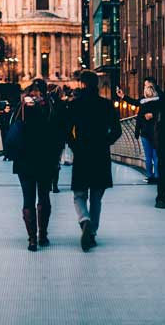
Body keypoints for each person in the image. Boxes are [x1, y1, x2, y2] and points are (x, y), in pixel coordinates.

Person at [66, 70, 122, 251]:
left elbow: (66, 130)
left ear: (82, 84)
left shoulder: (75, 105)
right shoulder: (106, 105)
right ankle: (93, 232)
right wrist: (105, 142)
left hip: (82, 154)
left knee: (79, 194)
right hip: (100, 154)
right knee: (96, 197)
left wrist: (75, 146)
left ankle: (84, 220)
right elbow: (117, 130)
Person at [12, 80, 60, 251]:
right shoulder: (50, 107)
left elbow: (11, 129)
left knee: (28, 199)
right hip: (45, 160)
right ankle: (43, 235)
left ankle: (32, 239)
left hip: (24, 160)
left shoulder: (21, 107)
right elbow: (58, 134)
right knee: (44, 196)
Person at [116, 77, 160, 183]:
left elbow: (135, 104)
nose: (144, 87)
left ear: (151, 86)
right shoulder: (159, 101)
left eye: (146, 85)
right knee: (156, 156)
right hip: (156, 132)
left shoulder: (143, 102)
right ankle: (157, 176)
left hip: (145, 132)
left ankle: (150, 176)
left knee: (148, 156)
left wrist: (123, 97)